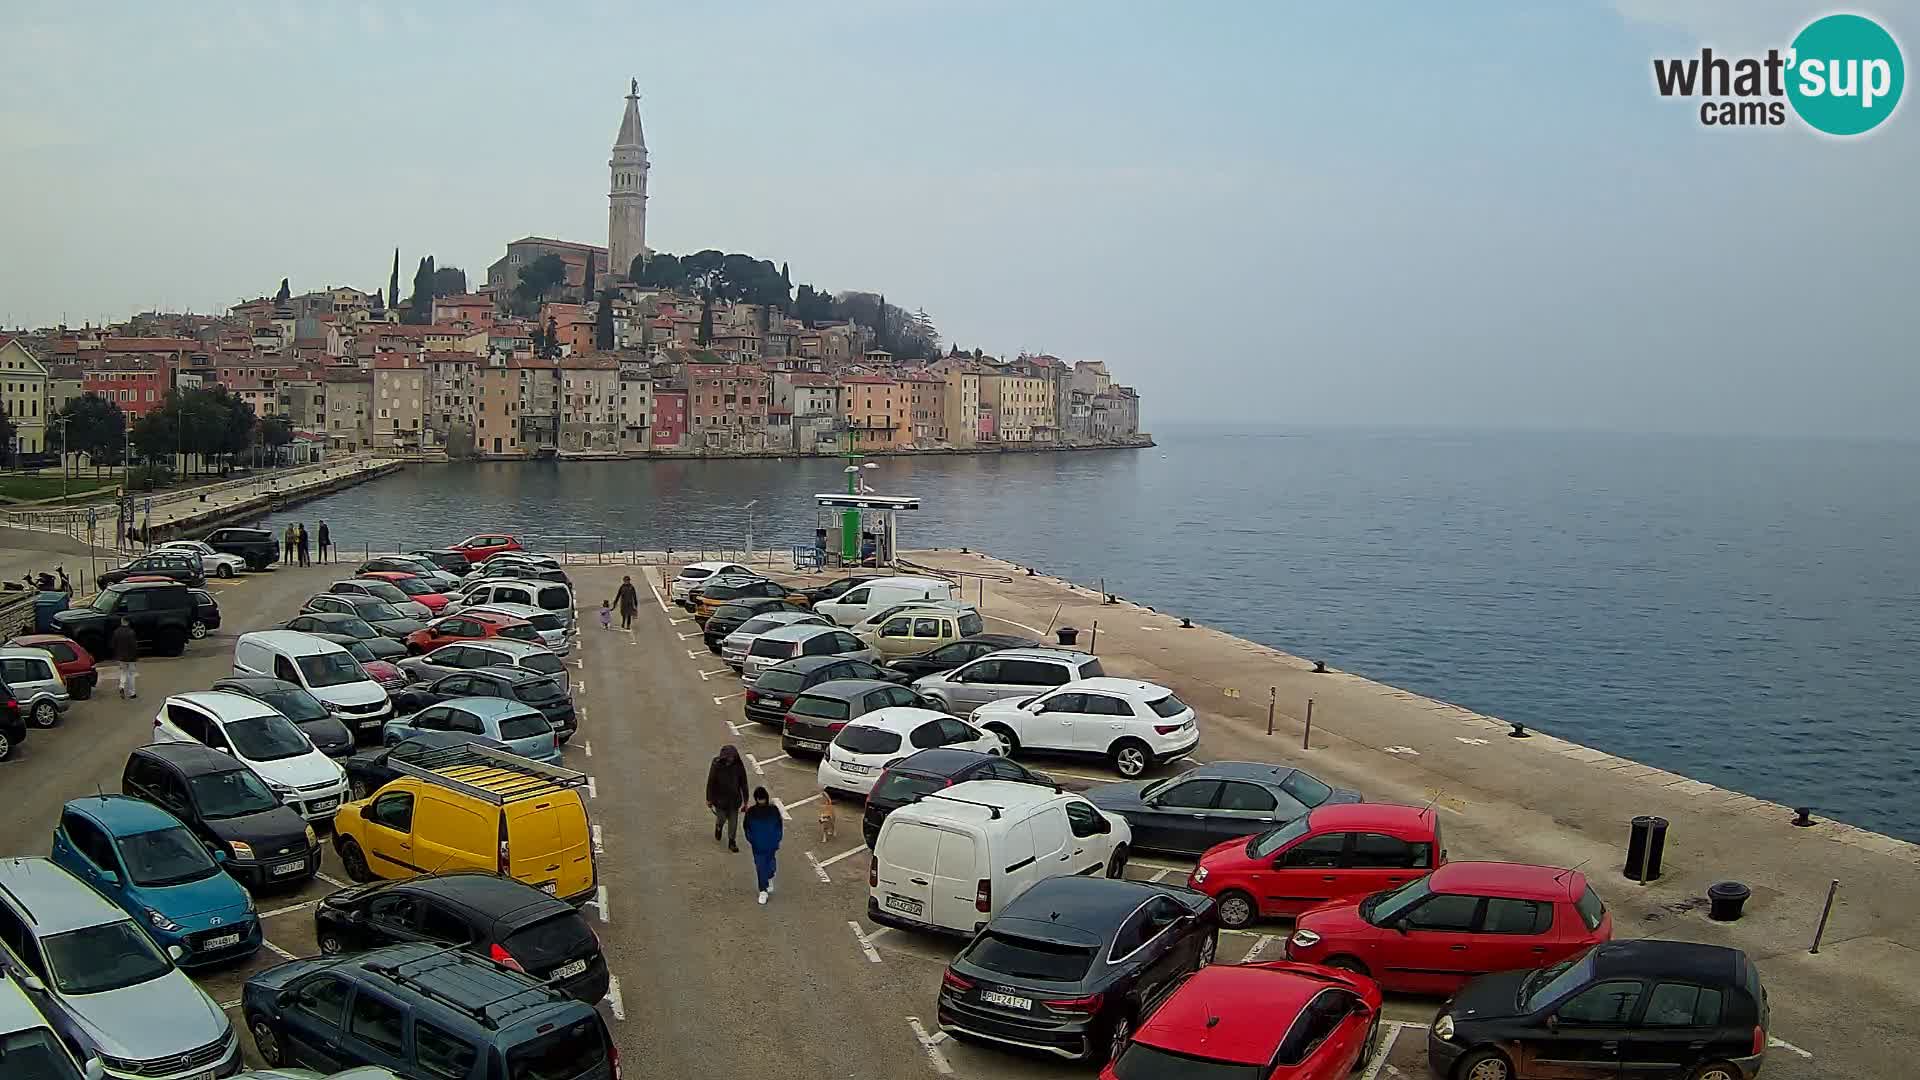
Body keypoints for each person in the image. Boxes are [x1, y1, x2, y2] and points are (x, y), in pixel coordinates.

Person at [742, 786, 783, 905]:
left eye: (763, 799)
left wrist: (777, 839)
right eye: (759, 799)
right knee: (760, 867)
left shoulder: (773, 810)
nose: (761, 801)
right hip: (758, 846)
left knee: (770, 866)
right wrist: (752, 840)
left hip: (771, 844)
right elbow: (746, 827)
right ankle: (763, 890)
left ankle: (769, 877)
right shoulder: (751, 812)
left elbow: (779, 825)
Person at [705, 745, 749, 852]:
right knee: (721, 818)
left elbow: (744, 783)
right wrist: (709, 799)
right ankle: (718, 827)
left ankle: (732, 842)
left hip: (734, 800)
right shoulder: (716, 764)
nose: (731, 759)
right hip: (720, 800)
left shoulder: (738, 766)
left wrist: (746, 801)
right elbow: (711, 782)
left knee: (733, 822)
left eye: (733, 757)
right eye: (729, 757)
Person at [111, 617, 139, 700]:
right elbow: (134, 646)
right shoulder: (131, 632)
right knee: (131, 675)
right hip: (130, 657)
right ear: (128, 622)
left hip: (120, 657)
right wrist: (136, 656)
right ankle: (132, 693)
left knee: (123, 672)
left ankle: (121, 686)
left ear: (122, 622)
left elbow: (113, 645)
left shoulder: (116, 632)